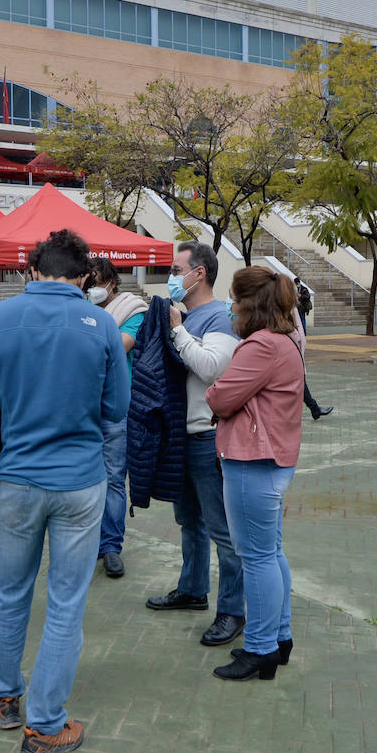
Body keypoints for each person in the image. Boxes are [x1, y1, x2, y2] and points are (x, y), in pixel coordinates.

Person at [0, 229, 129, 753]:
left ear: (31, 271)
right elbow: (116, 409)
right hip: (79, 482)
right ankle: (46, 727)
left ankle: (4, 694)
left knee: (11, 593)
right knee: (65, 605)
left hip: (17, 481)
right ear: (83, 277)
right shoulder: (100, 323)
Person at [205, 267, 304, 681]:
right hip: (274, 458)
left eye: (234, 298)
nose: (231, 306)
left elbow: (221, 395)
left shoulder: (260, 345)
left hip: (252, 461)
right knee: (271, 552)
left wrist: (214, 394)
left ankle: (261, 647)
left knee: (256, 557)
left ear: (250, 304)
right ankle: (279, 637)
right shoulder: (288, 340)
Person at [144, 241, 245, 648]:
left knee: (223, 530)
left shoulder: (219, 318)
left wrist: (177, 328)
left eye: (175, 268)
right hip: (183, 436)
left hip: (207, 437)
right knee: (190, 522)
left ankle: (232, 611)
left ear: (198, 273)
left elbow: (211, 367)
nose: (171, 275)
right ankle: (192, 589)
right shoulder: (188, 313)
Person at [83, 257, 147, 578]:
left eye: (97, 281)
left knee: (112, 478)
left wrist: (86, 329)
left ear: (111, 282)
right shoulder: (82, 310)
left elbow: (120, 345)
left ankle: (110, 546)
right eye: (87, 282)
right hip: (81, 405)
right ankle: (89, 541)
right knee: (83, 478)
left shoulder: (132, 311)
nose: (92, 288)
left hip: (114, 407)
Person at [294, 276, 332, 420]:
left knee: (299, 382)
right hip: (289, 354)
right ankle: (314, 408)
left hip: (292, 353)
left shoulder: (288, 305)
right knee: (298, 382)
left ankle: (314, 408)